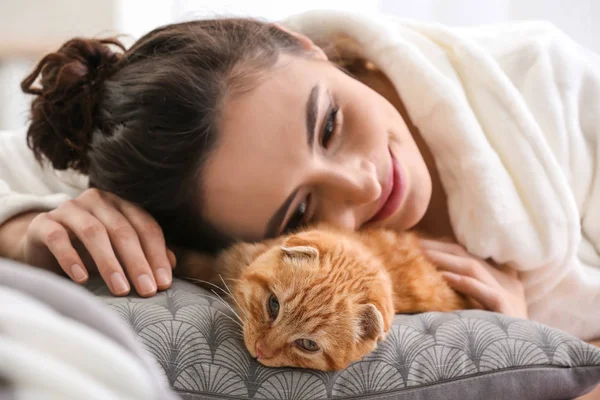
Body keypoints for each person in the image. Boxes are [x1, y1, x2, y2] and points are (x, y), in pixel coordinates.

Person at [0, 9, 597, 340]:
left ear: (303, 45)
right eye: (302, 214)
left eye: (330, 124)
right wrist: (25, 230)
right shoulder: (171, 168)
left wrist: (533, 344)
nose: (362, 185)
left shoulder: (551, 87)